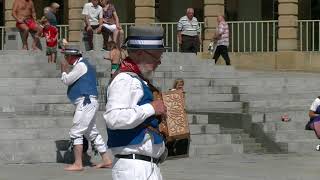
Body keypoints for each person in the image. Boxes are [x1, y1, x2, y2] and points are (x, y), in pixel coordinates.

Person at [103, 26, 167, 180]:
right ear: (139, 53)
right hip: (134, 169)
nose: (159, 62)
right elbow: (114, 118)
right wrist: (151, 108)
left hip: (145, 167)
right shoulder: (125, 80)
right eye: (156, 56)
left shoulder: (139, 81)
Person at [60, 46, 112, 171]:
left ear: (71, 56)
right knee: (91, 132)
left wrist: (63, 71)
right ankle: (106, 159)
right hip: (88, 102)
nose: (65, 58)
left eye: (66, 56)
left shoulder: (80, 66)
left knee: (76, 132)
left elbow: (67, 80)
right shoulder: (84, 65)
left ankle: (78, 164)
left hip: (85, 101)